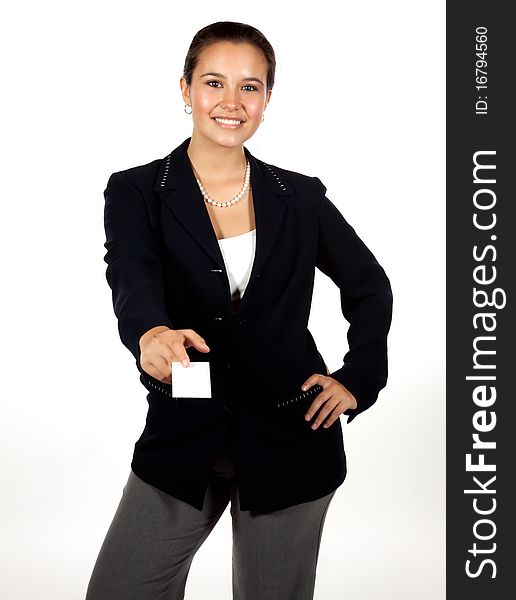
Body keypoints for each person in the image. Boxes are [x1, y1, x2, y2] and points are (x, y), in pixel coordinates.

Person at [86, 20, 393, 600]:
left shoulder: (300, 196)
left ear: (267, 98)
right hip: (186, 428)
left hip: (293, 432)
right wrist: (149, 331)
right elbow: (130, 273)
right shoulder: (136, 190)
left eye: (250, 87)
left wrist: (359, 378)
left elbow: (369, 286)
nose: (232, 103)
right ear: (185, 90)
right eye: (214, 82)